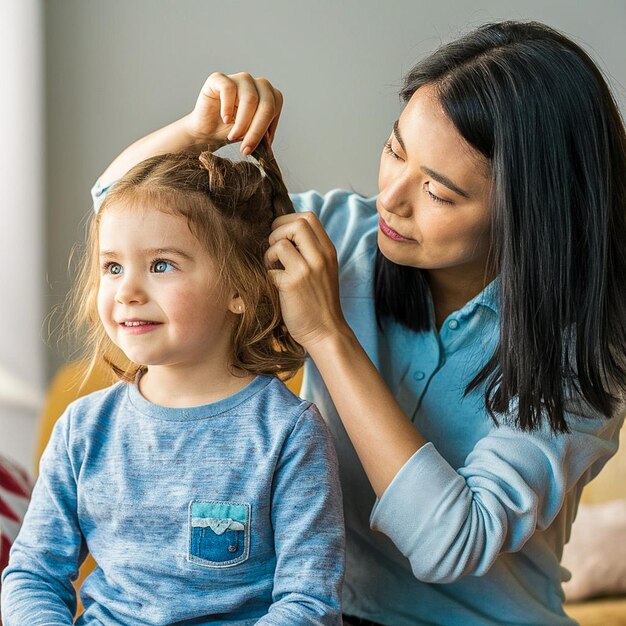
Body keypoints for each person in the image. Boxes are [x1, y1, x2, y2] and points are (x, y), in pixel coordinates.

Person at [38, 19, 626, 625]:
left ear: (531, 213)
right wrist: (196, 132)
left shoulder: (589, 354)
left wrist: (328, 334)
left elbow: (452, 542)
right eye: (395, 150)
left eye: (439, 192)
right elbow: (120, 214)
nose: (392, 199)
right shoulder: (337, 236)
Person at [1, 141, 345, 625]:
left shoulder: (290, 433)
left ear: (241, 290)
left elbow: (308, 603)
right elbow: (33, 575)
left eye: (161, 265)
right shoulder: (82, 428)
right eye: (113, 266)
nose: (128, 291)